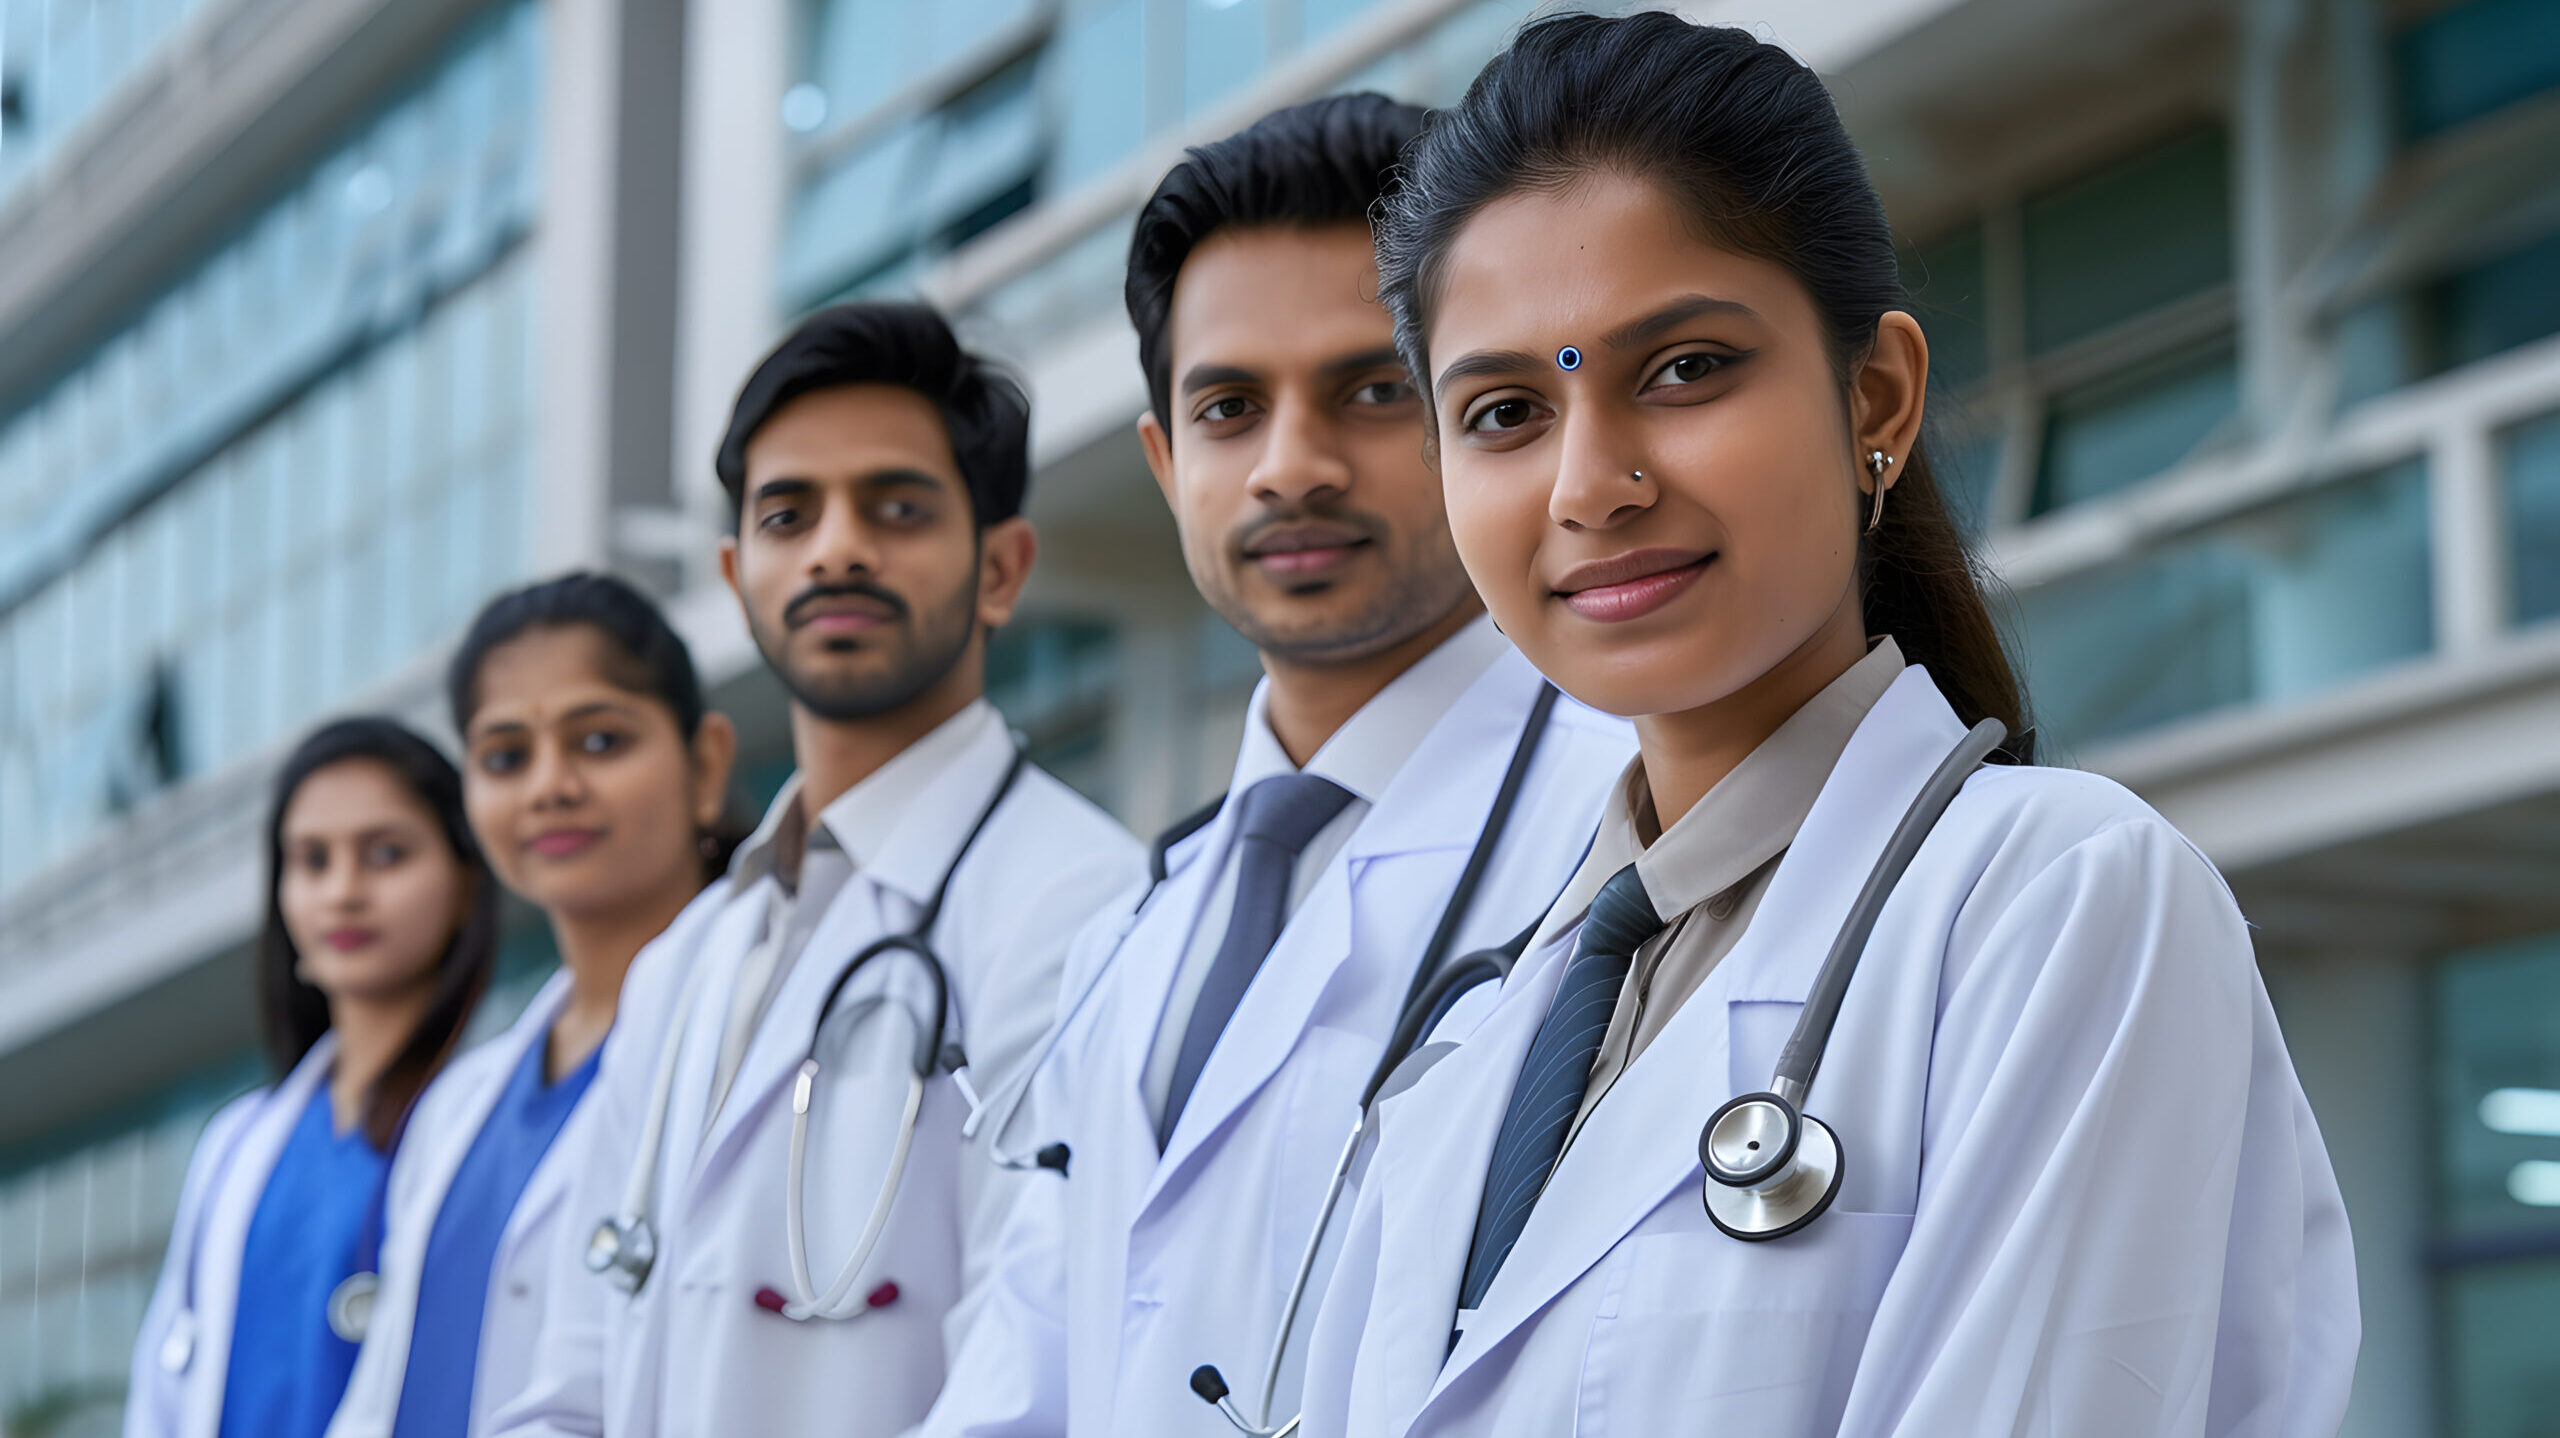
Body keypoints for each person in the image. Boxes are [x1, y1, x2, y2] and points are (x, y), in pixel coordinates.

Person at [1292, 15, 2360, 1438]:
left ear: (1877, 399)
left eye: (1681, 369)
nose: (1588, 484)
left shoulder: (2060, 901)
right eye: (1502, 410)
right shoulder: (1483, 1028)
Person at [922, 95, 1635, 1438]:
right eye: (1229, 407)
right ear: (1164, 457)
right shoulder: (1134, 934)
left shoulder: (1634, 830)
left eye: (1371, 390)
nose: (1289, 467)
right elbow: (1025, 1375)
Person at [489, 301, 1146, 1438]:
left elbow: (1029, 1382)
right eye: (791, 514)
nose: (837, 546)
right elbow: (570, 1380)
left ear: (1001, 569)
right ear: (741, 576)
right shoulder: (684, 961)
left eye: (895, 507)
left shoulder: (1087, 906)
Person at [325, 574, 740, 1438]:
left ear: (705, 765)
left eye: (598, 740)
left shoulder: (751, 1040)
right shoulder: (458, 1107)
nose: (550, 785)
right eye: (507, 756)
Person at [128, 718, 500, 1438]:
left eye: (386, 854)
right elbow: (160, 1404)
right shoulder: (235, 1145)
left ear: (464, 882)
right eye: (312, 861)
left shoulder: (489, 1118)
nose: (344, 892)